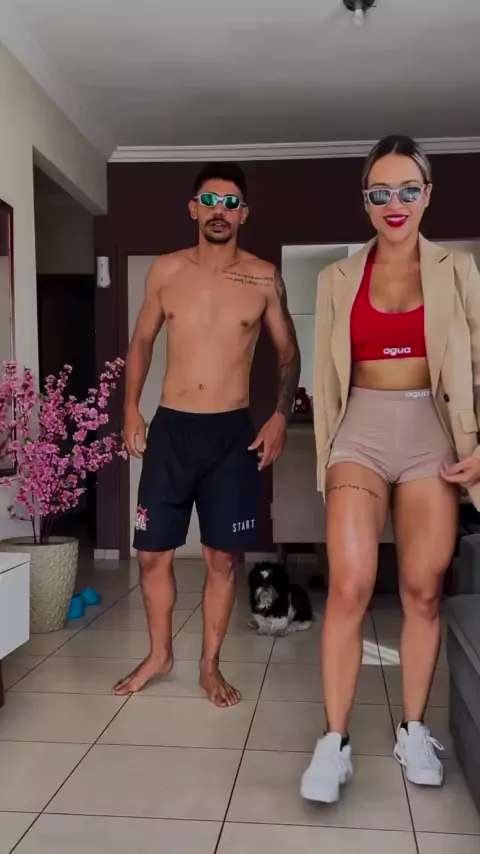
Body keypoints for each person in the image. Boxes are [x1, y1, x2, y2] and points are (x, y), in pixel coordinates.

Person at [302, 134, 480, 802]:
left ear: (427, 194)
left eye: (408, 189)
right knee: (349, 584)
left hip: (431, 431)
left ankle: (413, 730)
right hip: (361, 431)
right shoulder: (336, 278)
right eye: (381, 191)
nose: (395, 202)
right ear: (366, 200)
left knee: (422, 590)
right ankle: (334, 741)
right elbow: (327, 376)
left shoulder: (459, 269)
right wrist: (326, 450)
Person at [113, 162, 300, 707]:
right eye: (210, 201)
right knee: (152, 554)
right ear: (194, 209)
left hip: (230, 436)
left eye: (231, 203)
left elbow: (288, 353)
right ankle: (159, 654)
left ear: (244, 214)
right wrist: (130, 408)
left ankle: (209, 666)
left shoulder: (262, 277)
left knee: (222, 559)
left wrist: (280, 415)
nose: (220, 211)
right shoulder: (166, 271)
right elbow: (142, 341)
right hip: (172, 429)